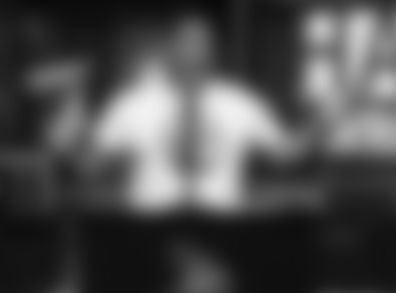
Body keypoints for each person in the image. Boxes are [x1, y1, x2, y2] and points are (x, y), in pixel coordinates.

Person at [83, 14, 305, 215]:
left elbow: (286, 153)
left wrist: (316, 125)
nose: (193, 52)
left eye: (201, 44)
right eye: (185, 43)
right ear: (171, 48)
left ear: (213, 51)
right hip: (148, 227)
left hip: (223, 227)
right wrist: (73, 121)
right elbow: (91, 163)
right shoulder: (132, 103)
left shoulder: (241, 102)